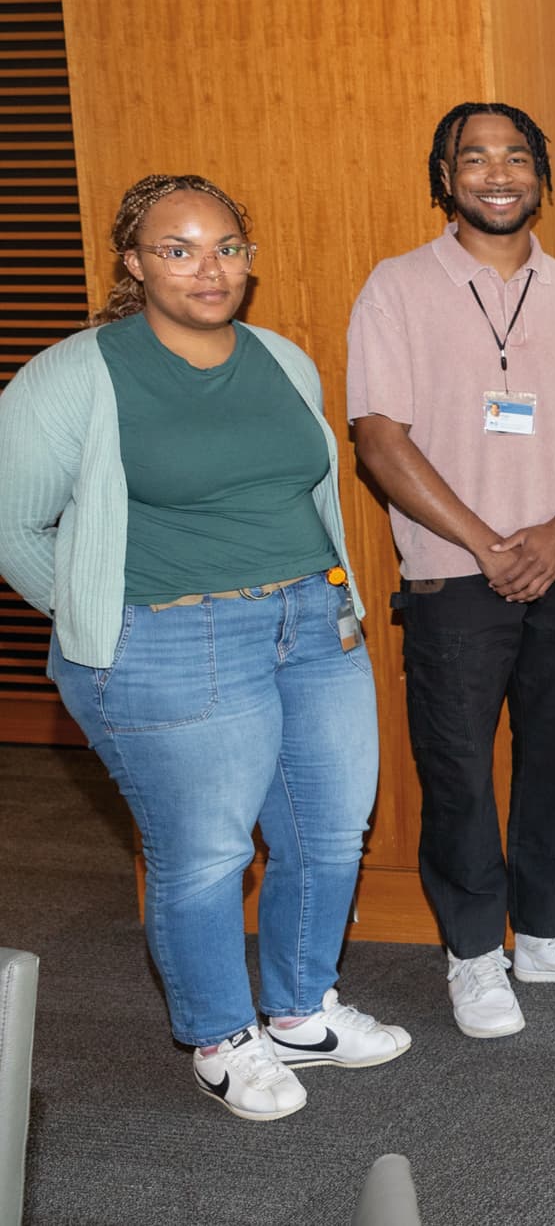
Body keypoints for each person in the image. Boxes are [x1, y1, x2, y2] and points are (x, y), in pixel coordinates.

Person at [0, 175, 406, 1120]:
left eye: (226, 246)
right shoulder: (77, 374)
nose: (207, 268)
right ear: (134, 263)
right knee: (207, 852)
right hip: (170, 637)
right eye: (177, 249)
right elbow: (13, 522)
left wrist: (337, 600)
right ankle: (224, 1035)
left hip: (310, 621)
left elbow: (307, 492)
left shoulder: (281, 358)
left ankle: (302, 1010)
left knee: (327, 830)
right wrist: (105, 615)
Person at [349, 102, 555, 1040]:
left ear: (541, 176)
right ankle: (476, 953)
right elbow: (377, 437)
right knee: (458, 772)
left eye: (515, 156)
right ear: (445, 176)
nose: (496, 172)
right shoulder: (395, 287)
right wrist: (488, 542)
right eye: (472, 156)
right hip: (451, 572)